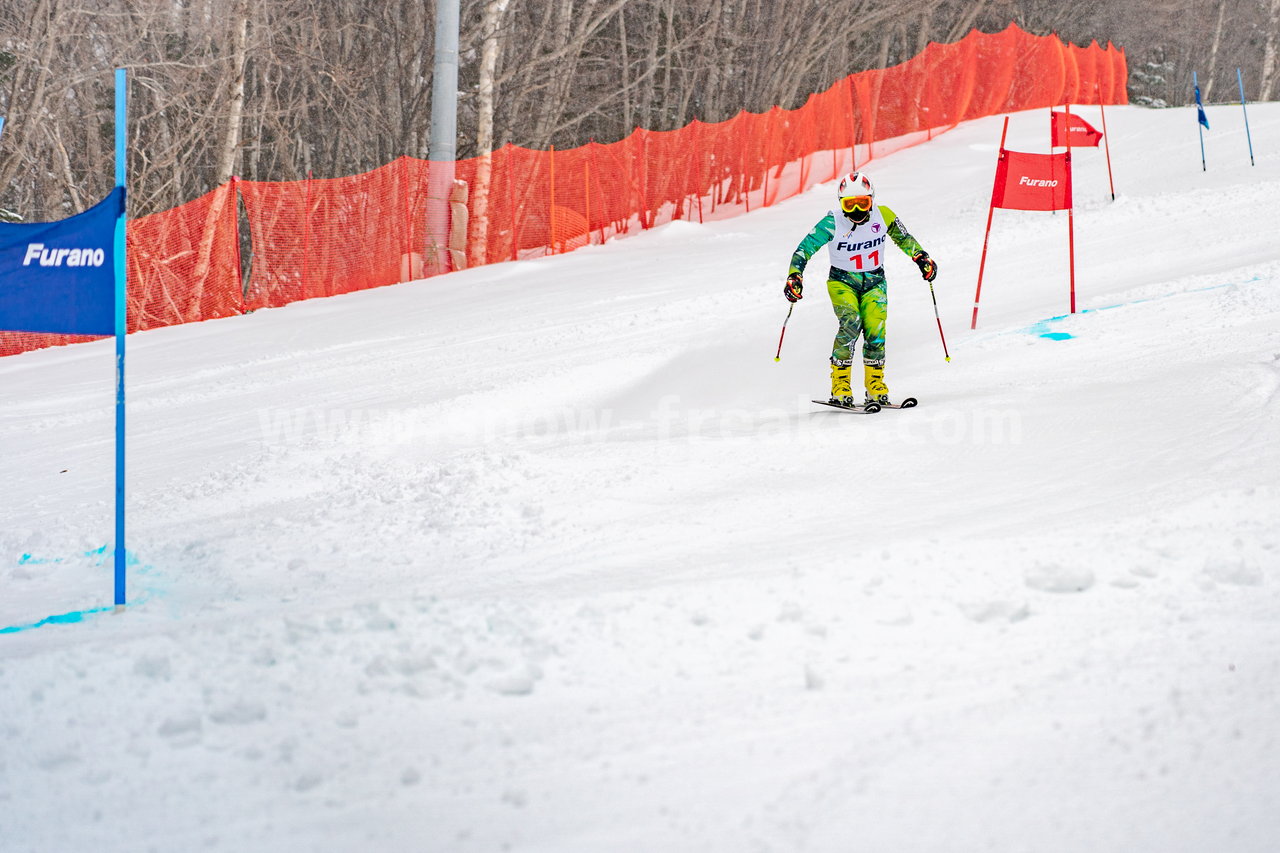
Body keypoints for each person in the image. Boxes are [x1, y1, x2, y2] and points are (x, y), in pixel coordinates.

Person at [783, 171, 937, 407]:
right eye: (849, 204)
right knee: (851, 323)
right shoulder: (832, 222)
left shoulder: (883, 215)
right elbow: (804, 249)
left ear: (871, 200)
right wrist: (795, 275)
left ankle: (875, 385)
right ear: (840, 203)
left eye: (862, 203)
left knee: (876, 330)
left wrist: (921, 258)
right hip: (842, 281)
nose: (856, 211)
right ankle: (840, 385)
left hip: (875, 280)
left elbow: (905, 239)